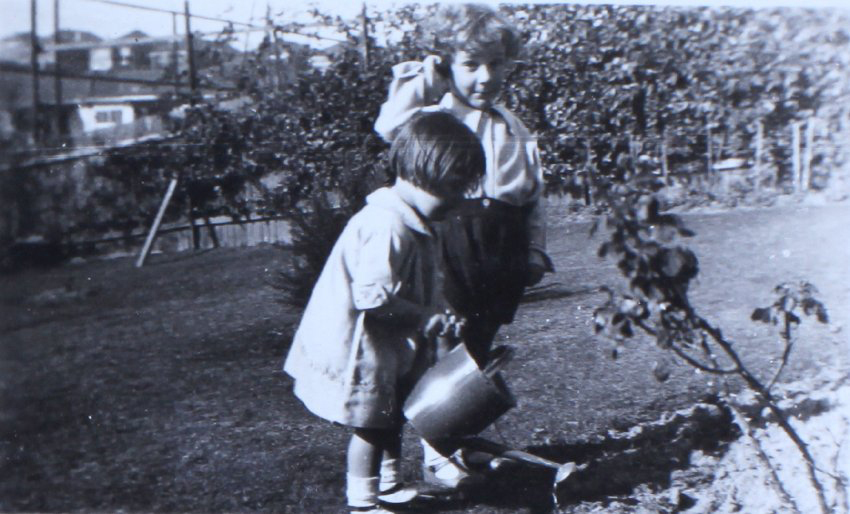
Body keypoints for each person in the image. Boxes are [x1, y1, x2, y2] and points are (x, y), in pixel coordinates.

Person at [374, 3, 554, 489]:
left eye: (495, 64)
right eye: (471, 65)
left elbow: (534, 196)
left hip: (501, 252)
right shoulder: (437, 115)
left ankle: (463, 443)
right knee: (446, 349)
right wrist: (426, 83)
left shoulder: (515, 126)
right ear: (447, 64)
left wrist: (535, 250)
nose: (485, 77)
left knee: (477, 350)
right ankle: (439, 458)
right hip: (450, 244)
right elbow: (389, 127)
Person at [283, 111, 485, 514]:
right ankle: (362, 504)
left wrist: (439, 309)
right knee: (371, 426)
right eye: (457, 188)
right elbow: (372, 298)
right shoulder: (387, 225)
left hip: (386, 343)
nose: (462, 199)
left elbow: (424, 283)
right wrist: (425, 318)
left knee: (389, 414)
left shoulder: (417, 223)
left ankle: (389, 487)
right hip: (361, 345)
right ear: (430, 175)